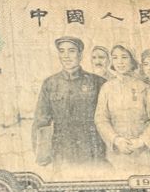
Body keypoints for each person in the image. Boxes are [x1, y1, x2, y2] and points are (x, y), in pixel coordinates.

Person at [33, 36, 106, 167]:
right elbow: (41, 121)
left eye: (71, 51)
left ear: (80, 55)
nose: (66, 56)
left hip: (93, 150)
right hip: (61, 152)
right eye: (62, 51)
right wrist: (42, 155)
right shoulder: (50, 83)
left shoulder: (98, 82)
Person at [94, 46, 150, 174]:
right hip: (117, 155)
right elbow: (101, 119)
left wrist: (141, 141)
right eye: (115, 58)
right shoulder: (106, 88)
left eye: (124, 57)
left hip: (144, 154)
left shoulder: (144, 88)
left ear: (132, 61)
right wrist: (116, 140)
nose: (120, 62)